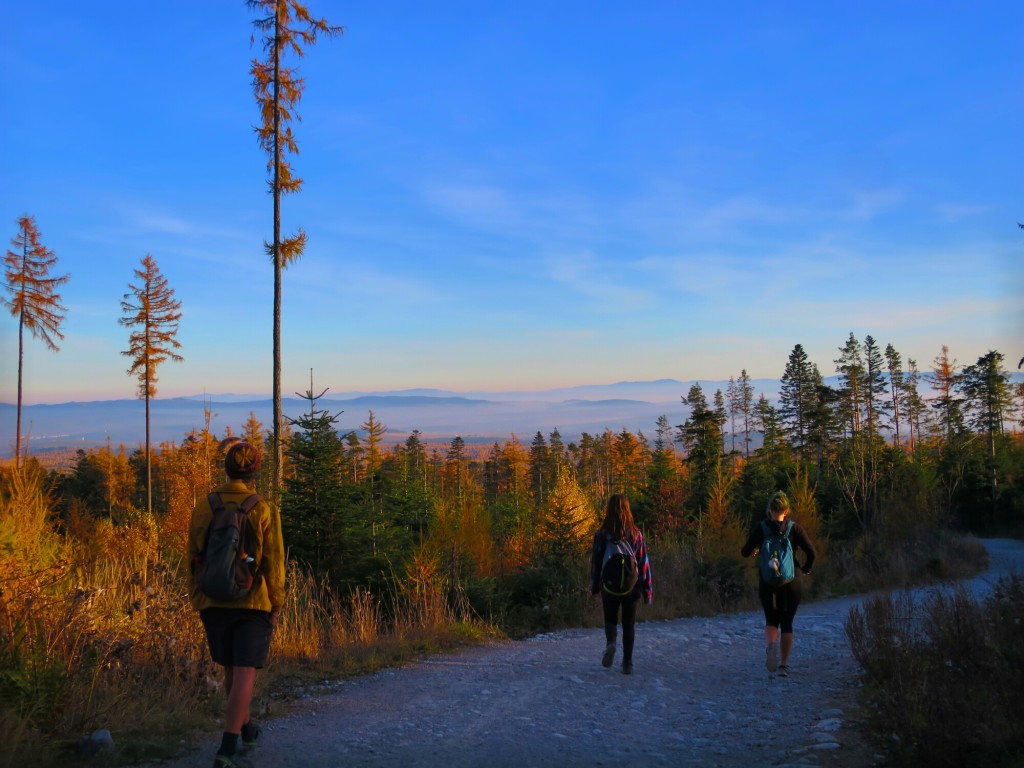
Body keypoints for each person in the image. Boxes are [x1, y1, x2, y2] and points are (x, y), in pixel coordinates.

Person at [188, 439, 286, 768]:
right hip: (252, 601)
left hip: (213, 599)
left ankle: (246, 730)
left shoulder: (206, 505)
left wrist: (197, 597)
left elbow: (193, 556)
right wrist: (276, 603)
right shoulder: (263, 508)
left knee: (230, 667)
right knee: (245, 673)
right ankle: (227, 749)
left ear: (226, 467)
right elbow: (273, 562)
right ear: (254, 470)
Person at [741, 490, 816, 677]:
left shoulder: (762, 528)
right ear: (787, 509)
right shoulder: (794, 528)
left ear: (770, 509)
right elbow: (812, 553)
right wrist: (805, 569)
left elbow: (745, 551)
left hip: (768, 581)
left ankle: (771, 645)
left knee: (771, 619)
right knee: (787, 623)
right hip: (792, 581)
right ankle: (783, 665)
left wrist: (758, 551)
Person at [590, 494, 652, 675]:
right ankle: (627, 663)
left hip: (609, 586)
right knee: (628, 624)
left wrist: (595, 586)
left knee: (610, 619)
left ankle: (611, 643)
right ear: (628, 510)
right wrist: (647, 591)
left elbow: (596, 562)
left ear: (608, 511)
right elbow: (644, 564)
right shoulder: (635, 534)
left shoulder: (601, 535)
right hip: (631, 587)